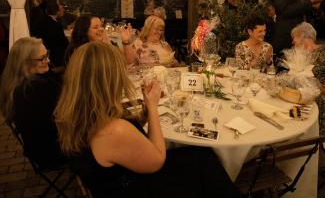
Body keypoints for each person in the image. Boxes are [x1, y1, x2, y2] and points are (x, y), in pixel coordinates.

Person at [54, 42, 240, 198]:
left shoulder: (75, 114)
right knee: (204, 160)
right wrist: (152, 106)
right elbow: (157, 159)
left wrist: (143, 114)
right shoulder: (112, 130)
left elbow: (130, 141)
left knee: (199, 156)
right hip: (141, 189)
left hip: (114, 181)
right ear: (108, 80)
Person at [0, 37, 65, 169]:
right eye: (42, 58)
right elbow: (64, 114)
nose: (48, 60)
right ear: (24, 63)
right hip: (51, 153)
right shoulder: (33, 89)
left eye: (47, 54)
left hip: (38, 150)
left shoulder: (21, 82)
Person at [40, 0, 69, 67]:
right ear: (57, 11)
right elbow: (63, 42)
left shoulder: (43, 20)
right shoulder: (56, 25)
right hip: (53, 54)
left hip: (44, 48)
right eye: (60, 9)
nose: (63, 10)